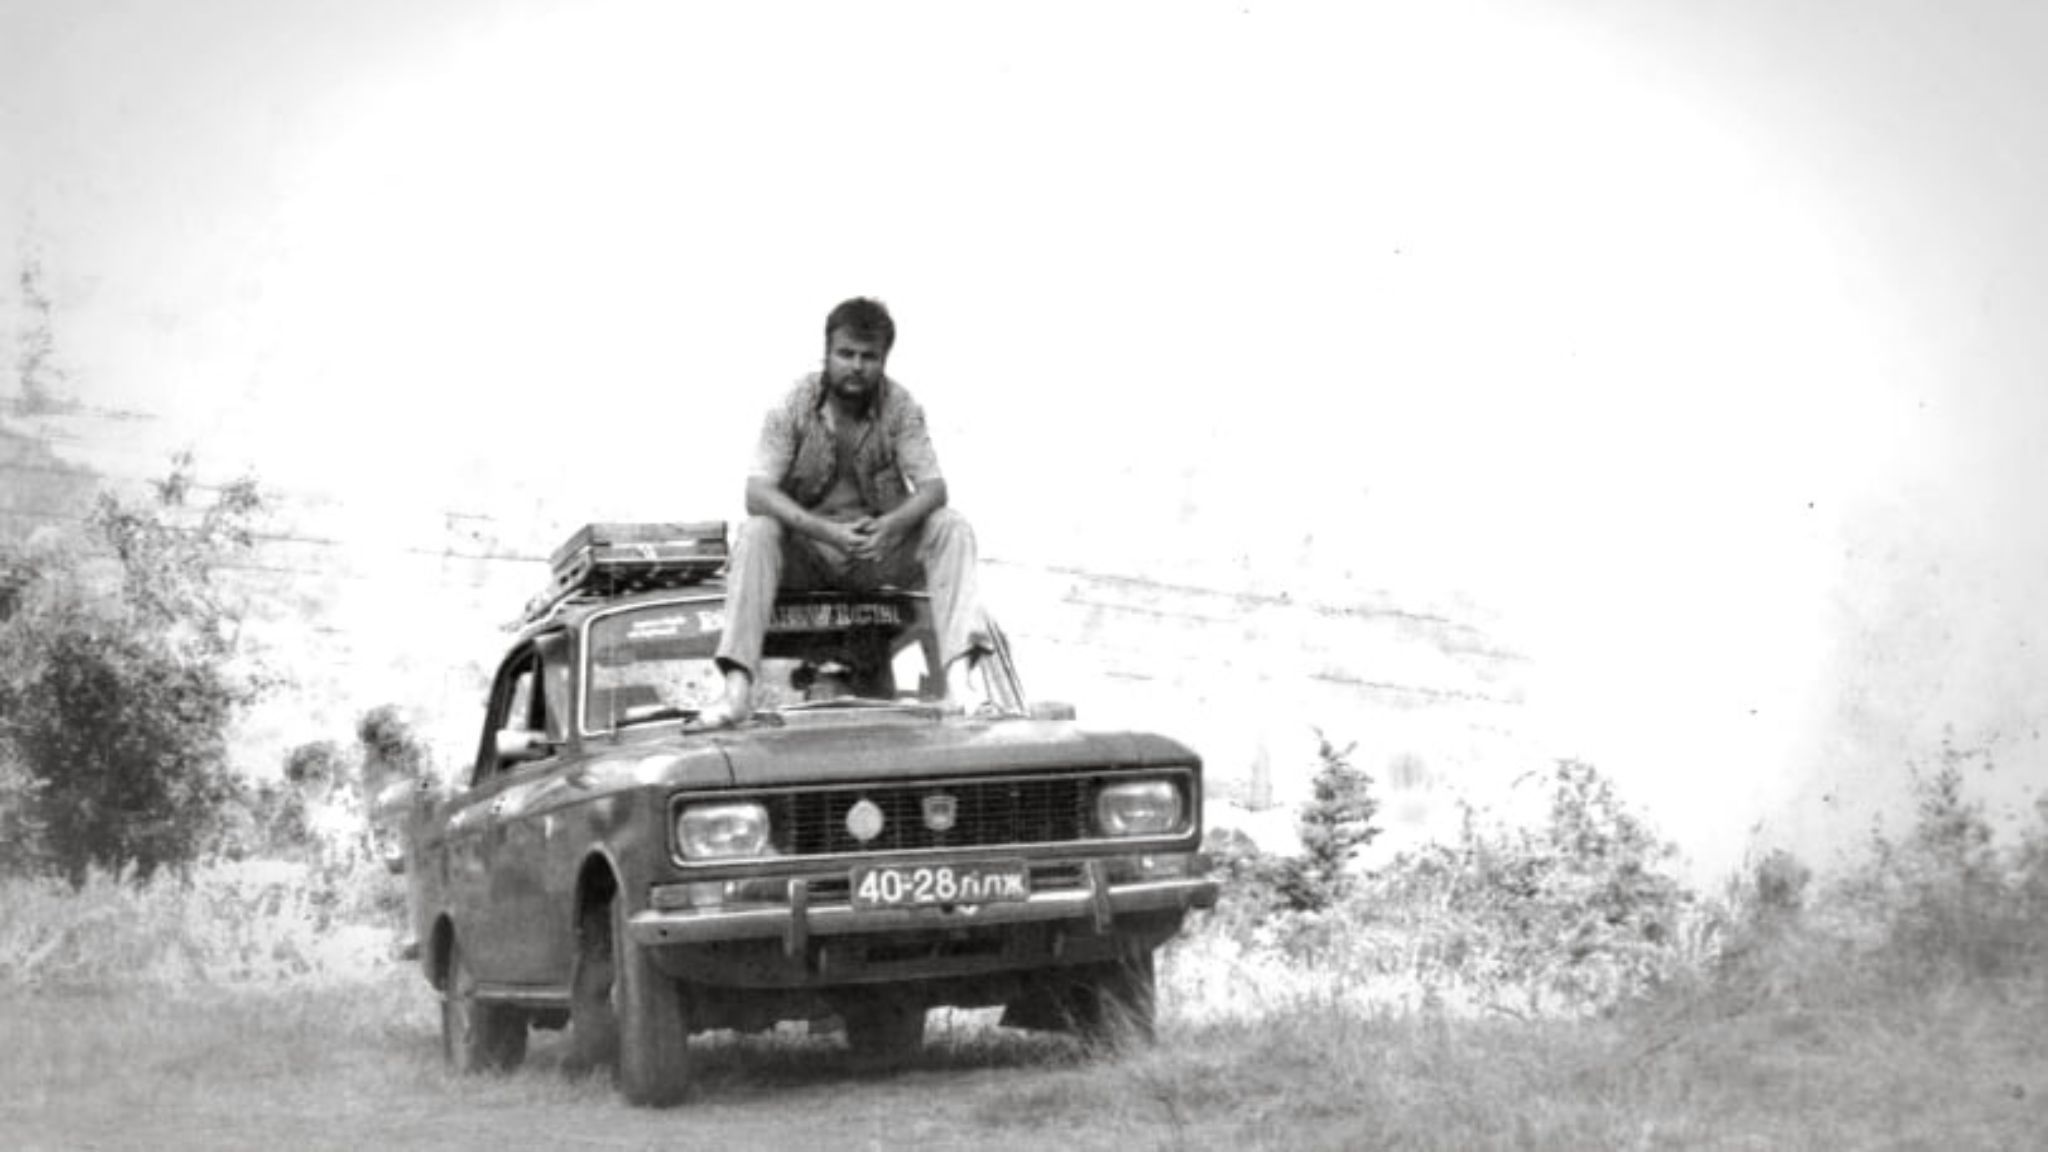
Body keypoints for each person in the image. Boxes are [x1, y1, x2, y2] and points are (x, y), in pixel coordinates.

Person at [693, 297, 985, 728]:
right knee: (757, 531)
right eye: (846, 354)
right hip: (807, 555)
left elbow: (934, 488)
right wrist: (826, 532)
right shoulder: (792, 405)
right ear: (826, 353)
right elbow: (757, 492)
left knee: (951, 526)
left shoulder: (901, 406)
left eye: (869, 357)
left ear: (884, 360)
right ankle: (736, 693)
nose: (856, 366)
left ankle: (960, 687)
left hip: (875, 554)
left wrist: (891, 526)